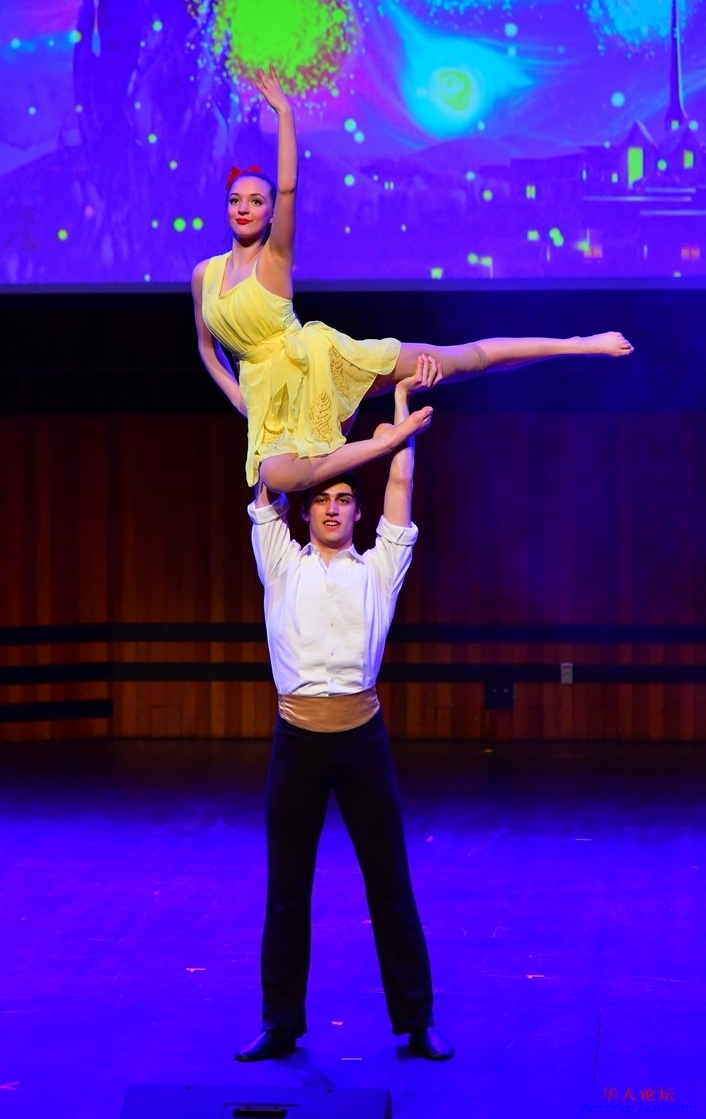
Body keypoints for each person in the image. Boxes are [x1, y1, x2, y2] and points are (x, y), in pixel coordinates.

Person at [192, 66, 634, 493]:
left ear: (271, 214)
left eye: (256, 201)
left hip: (323, 366)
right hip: (268, 398)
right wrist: (238, 398)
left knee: (461, 360)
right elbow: (208, 351)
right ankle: (382, 444)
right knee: (276, 478)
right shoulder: (204, 275)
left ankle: (578, 344)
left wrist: (286, 114)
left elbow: (288, 187)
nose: (243, 208)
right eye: (235, 200)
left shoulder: (274, 259)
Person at [236, 355, 454, 1062]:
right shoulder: (281, 561)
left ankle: (417, 1021)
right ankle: (280, 1023)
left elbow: (400, 483)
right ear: (306, 511)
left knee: (389, 882)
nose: (332, 507)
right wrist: (277, 415)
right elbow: (268, 477)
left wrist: (400, 412)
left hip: (363, 738)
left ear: (357, 512)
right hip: (297, 740)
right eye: (322, 498)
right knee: (286, 888)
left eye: (343, 499)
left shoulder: (379, 569)